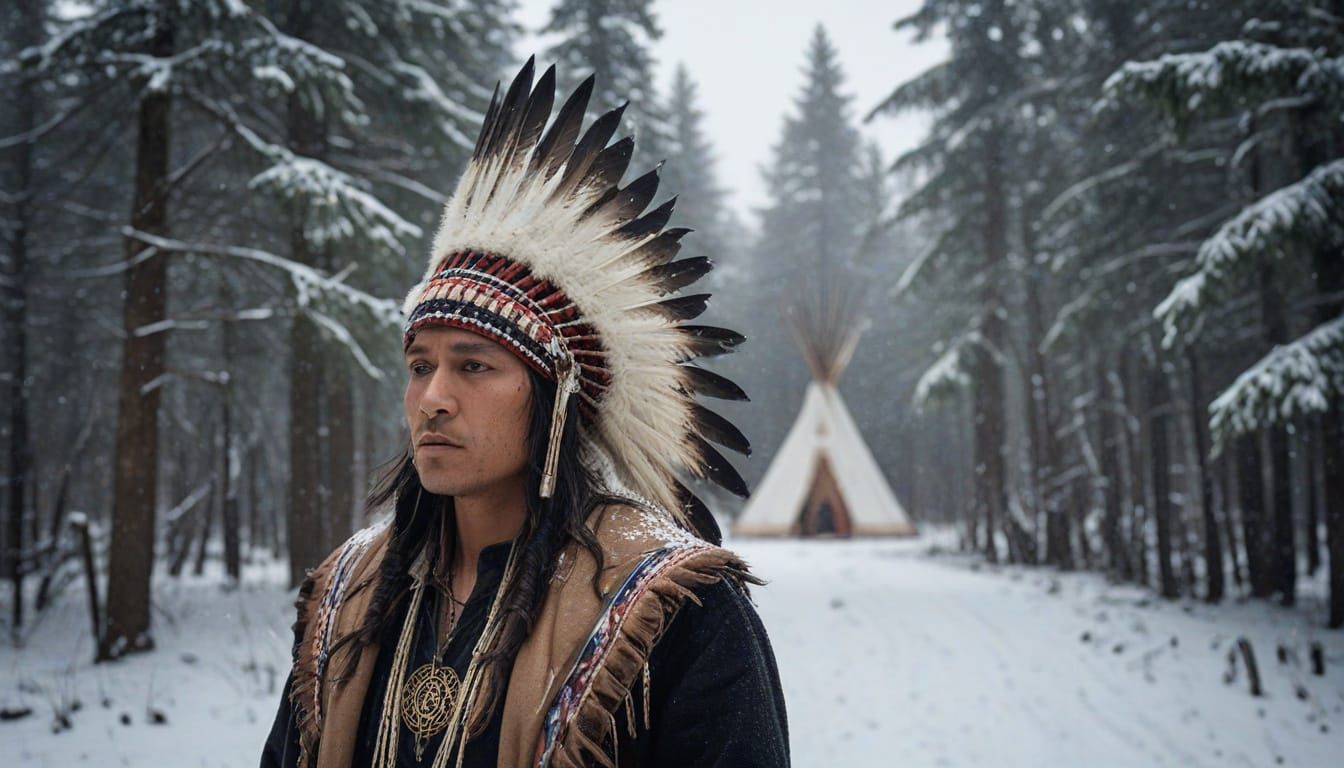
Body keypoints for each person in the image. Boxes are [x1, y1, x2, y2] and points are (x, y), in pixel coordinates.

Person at [259, 56, 790, 768]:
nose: (434, 397)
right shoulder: (349, 596)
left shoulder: (671, 609)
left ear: (555, 398)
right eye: (421, 367)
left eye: (474, 366)